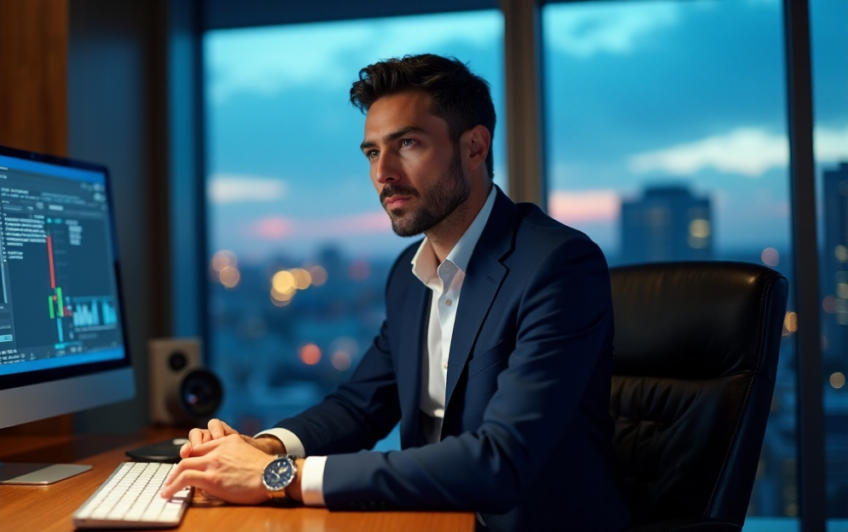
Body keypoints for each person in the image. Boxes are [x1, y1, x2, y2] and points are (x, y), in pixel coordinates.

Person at [161, 54, 631, 531]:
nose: (383, 173)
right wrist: (261, 448)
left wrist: (277, 476)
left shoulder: (558, 265)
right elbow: (358, 406)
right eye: (371, 153)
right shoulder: (407, 277)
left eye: (407, 143)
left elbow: (500, 460)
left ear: (474, 147)